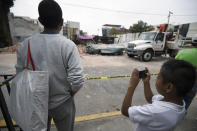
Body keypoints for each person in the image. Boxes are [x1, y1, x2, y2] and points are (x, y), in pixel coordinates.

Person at [15, 0, 84, 131]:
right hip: (63, 102)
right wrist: (70, 93)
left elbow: (20, 76)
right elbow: (78, 79)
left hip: (36, 103)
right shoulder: (68, 45)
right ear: (62, 22)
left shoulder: (25, 45)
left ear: (40, 20)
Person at [121, 60, 196, 131]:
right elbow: (150, 99)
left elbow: (125, 111)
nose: (156, 78)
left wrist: (131, 86)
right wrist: (146, 83)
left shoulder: (155, 112)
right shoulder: (180, 104)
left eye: (158, 77)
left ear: (169, 87)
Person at [175, 34, 197, 110]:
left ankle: (172, 112)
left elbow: (173, 66)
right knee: (187, 100)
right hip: (193, 83)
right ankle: (181, 113)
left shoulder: (182, 52)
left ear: (191, 42)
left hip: (179, 81)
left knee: (175, 98)